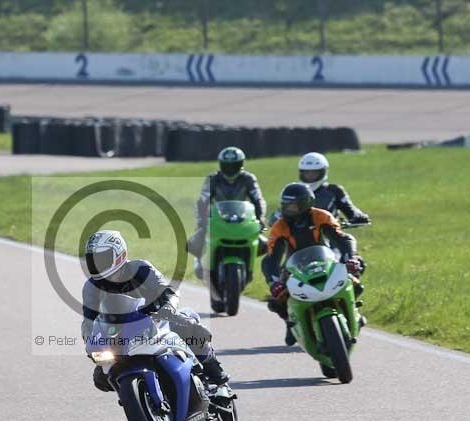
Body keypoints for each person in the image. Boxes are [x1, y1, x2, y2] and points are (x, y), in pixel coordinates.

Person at [82, 230, 229, 391]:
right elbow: (89, 321)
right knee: (101, 377)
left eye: (102, 258)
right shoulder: (91, 287)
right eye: (93, 260)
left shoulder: (141, 268)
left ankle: (216, 375)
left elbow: (167, 291)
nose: (97, 265)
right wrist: (91, 341)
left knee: (190, 328)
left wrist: (168, 307)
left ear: (119, 254)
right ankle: (133, 394)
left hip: (157, 320)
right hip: (121, 334)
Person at [261, 183, 366, 346]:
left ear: (306, 203)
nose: (289, 210)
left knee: (355, 279)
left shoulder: (321, 216)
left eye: (293, 206)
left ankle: (353, 311)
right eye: (286, 206)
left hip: (325, 260)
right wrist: (273, 282)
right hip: (294, 267)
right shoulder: (279, 227)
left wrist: (351, 258)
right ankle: (291, 322)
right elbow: (270, 259)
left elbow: (342, 238)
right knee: (277, 299)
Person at [188, 146, 267, 279]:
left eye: (234, 165)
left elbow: (258, 199)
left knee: (265, 244)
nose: (230, 168)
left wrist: (260, 220)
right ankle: (201, 262)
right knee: (193, 242)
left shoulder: (248, 179)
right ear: (221, 165)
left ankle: (249, 266)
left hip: (243, 219)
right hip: (218, 219)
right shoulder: (213, 179)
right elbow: (202, 201)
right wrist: (202, 221)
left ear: (241, 164)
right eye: (227, 165)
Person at [297, 152, 371, 224]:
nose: (310, 176)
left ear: (323, 172)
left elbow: (350, 209)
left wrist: (358, 216)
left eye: (314, 172)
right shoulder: (294, 190)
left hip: (330, 233)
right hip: (298, 234)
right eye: (307, 172)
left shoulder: (335, 190)